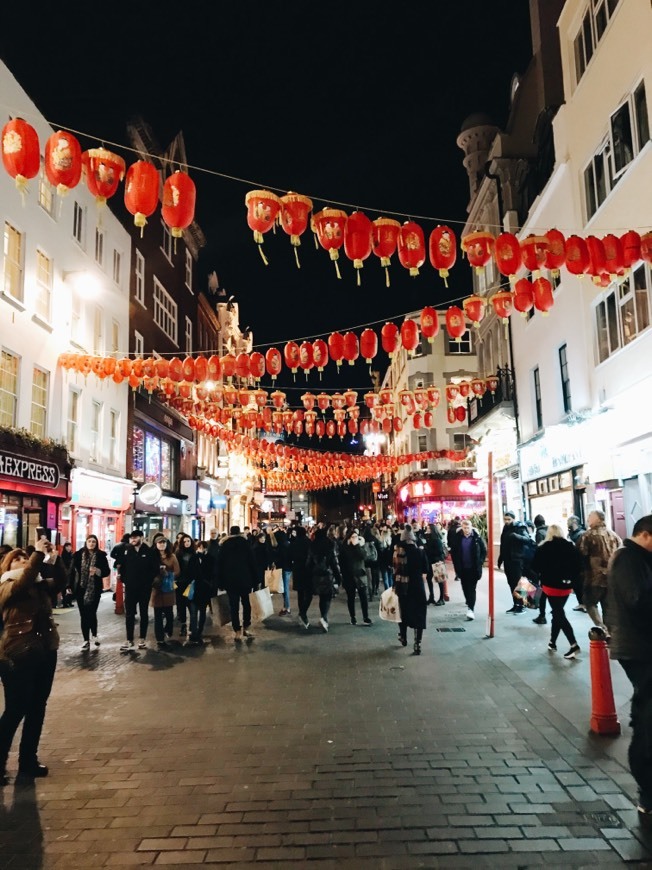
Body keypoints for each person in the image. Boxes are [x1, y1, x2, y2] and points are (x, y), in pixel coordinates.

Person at [0, 537, 67, 783]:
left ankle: (28, 760)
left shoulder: (38, 584)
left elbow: (61, 581)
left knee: (37, 707)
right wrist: (36, 558)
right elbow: (23, 580)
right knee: (15, 710)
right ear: (6, 567)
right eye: (15, 558)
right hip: (16, 655)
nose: (22, 560)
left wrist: (54, 558)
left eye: (24, 557)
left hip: (44, 651)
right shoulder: (6, 584)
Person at [606, 515, 652, 825]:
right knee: (647, 716)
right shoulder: (627, 559)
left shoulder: (637, 558)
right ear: (646, 536)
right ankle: (648, 791)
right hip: (639, 649)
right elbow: (639, 601)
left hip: (641, 646)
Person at [531, 524, 582, 659]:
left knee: (559, 613)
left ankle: (573, 644)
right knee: (557, 612)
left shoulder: (544, 547)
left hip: (550, 585)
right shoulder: (570, 546)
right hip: (566, 587)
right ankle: (552, 642)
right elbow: (579, 566)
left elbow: (535, 566)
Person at [577, 509, 622, 636]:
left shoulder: (588, 535)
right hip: (612, 578)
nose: (587, 519)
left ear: (598, 519)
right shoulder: (614, 535)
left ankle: (602, 628)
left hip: (594, 578)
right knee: (607, 606)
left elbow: (580, 554)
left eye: (590, 516)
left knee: (590, 602)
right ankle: (610, 631)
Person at [119, 530, 158, 652]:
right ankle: (129, 639)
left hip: (144, 588)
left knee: (143, 613)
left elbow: (154, 569)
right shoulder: (127, 551)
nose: (133, 540)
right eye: (131, 538)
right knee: (129, 614)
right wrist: (125, 580)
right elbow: (122, 567)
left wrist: (148, 582)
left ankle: (142, 639)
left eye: (135, 537)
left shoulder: (149, 551)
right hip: (130, 588)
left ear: (141, 538)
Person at [217, 526, 258, 642]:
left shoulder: (224, 545)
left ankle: (237, 631)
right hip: (245, 579)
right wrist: (256, 581)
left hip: (230, 581)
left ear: (230, 533)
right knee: (246, 604)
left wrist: (220, 582)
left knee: (234, 606)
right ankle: (246, 626)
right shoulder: (245, 544)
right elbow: (252, 562)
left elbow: (220, 565)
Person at [71, 535, 110, 650]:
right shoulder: (78, 555)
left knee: (92, 613)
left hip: (94, 589)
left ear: (96, 543)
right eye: (89, 541)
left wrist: (98, 571)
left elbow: (106, 571)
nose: (91, 543)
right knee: (83, 614)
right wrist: (69, 586)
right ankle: (86, 640)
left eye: (94, 542)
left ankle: (94, 635)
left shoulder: (101, 556)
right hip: (81, 589)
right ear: (86, 542)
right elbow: (71, 571)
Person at [393, 527, 429, 654]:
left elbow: (392, 567)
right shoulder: (420, 552)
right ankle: (417, 643)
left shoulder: (398, 552)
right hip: (417, 587)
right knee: (419, 613)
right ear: (413, 538)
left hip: (403, 587)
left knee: (403, 613)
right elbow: (426, 570)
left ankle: (403, 637)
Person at [305, 527, 342, 632]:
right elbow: (334, 563)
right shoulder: (330, 544)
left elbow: (308, 563)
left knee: (321, 595)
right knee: (326, 598)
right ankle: (324, 617)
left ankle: (324, 618)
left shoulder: (312, 545)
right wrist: (338, 577)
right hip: (327, 575)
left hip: (316, 575)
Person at [449, 519, 487, 620]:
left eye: (468, 527)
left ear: (471, 527)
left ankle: (471, 609)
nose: (466, 530)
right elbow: (454, 553)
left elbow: (484, 550)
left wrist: (480, 561)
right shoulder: (457, 538)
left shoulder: (477, 538)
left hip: (473, 568)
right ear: (462, 528)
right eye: (464, 528)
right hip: (462, 568)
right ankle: (469, 602)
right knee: (465, 588)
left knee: (472, 588)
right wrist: (456, 565)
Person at [497, 511, 533, 614]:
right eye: (505, 519)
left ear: (513, 519)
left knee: (519, 583)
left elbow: (527, 539)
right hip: (508, 560)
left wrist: (516, 536)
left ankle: (522, 604)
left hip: (517, 560)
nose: (507, 521)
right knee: (511, 583)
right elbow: (503, 545)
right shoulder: (505, 528)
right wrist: (500, 559)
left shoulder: (520, 527)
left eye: (509, 519)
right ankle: (516, 604)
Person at [151, 538, 180, 649]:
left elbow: (177, 572)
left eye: (163, 543)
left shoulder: (172, 556)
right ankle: (160, 638)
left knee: (169, 613)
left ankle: (168, 629)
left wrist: (167, 573)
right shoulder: (153, 557)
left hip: (168, 588)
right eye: (159, 543)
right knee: (157, 614)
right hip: (157, 588)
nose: (162, 545)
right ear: (156, 544)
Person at [340, 528, 372, 626]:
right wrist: (343, 576)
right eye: (353, 537)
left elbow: (364, 556)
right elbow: (342, 564)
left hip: (360, 575)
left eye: (356, 537)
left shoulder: (360, 547)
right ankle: (352, 617)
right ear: (349, 539)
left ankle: (365, 617)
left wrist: (357, 545)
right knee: (351, 597)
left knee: (363, 597)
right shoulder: (344, 549)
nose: (355, 539)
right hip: (349, 576)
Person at [187, 541, 215, 645]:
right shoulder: (193, 558)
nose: (201, 550)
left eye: (203, 548)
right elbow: (189, 573)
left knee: (202, 612)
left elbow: (213, 573)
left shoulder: (210, 559)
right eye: (200, 548)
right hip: (194, 589)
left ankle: (199, 631)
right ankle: (194, 634)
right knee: (193, 613)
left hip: (205, 590)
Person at [289, 527, 312, 628]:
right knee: (309, 593)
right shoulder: (308, 542)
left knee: (300, 593)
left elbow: (290, 556)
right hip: (307, 570)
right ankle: (303, 613)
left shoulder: (294, 543)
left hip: (297, 570)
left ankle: (301, 613)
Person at [174, 535, 196, 638]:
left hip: (191, 583)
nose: (187, 543)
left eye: (188, 541)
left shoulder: (194, 553)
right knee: (181, 605)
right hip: (181, 583)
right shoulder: (178, 554)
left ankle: (192, 627)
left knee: (192, 605)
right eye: (185, 541)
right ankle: (183, 625)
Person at [531, 515, 549, 625]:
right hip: (552, 567)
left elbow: (539, 550)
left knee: (543, 592)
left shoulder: (539, 533)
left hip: (545, 568)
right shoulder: (550, 530)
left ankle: (542, 615)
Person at [424, 523, 448, 605]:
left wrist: (426, 550)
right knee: (428, 578)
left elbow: (439, 551)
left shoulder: (437, 539)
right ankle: (431, 597)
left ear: (432, 530)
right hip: (430, 561)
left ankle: (441, 598)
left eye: (428, 528)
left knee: (440, 580)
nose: (427, 529)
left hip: (437, 562)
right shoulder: (428, 538)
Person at [271, 527, 292, 615]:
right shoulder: (288, 544)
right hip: (288, 568)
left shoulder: (280, 547)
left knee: (285, 589)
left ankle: (287, 607)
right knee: (285, 588)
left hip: (284, 568)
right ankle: (286, 606)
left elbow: (279, 559)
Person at [447, 517, 461, 584]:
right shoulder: (460, 529)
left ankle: (457, 575)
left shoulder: (450, 529)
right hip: (460, 548)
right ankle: (459, 574)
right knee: (461, 561)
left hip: (453, 548)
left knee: (455, 562)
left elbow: (448, 540)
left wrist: (449, 547)